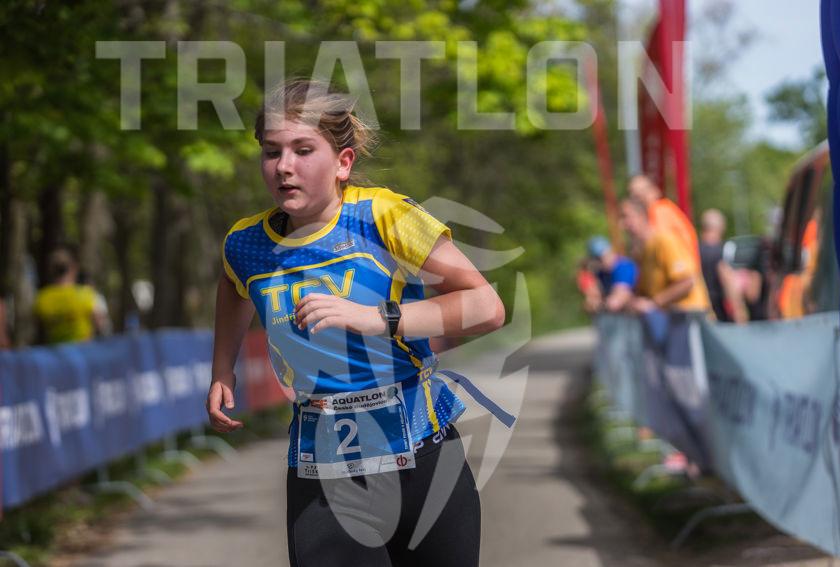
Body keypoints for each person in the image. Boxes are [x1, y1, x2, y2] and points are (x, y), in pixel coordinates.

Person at [206, 78, 507, 567]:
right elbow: (231, 284)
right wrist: (223, 368)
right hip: (322, 471)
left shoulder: (384, 216)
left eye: (304, 150)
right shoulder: (245, 244)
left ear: (343, 163)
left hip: (423, 459)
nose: (284, 166)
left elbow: (486, 307)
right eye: (271, 151)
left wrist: (378, 318)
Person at [620, 198, 710, 313]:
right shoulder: (644, 250)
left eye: (626, 217)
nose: (622, 224)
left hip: (690, 316)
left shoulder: (665, 241)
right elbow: (646, 293)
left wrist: (653, 303)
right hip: (669, 317)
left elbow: (687, 282)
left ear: (642, 216)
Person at [33, 247, 110, 344]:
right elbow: (102, 326)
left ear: (50, 270)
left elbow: (35, 329)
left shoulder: (41, 298)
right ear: (74, 269)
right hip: (83, 350)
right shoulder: (88, 295)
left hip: (55, 351)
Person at [628, 174, 700, 267]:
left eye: (637, 195)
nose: (635, 201)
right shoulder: (664, 209)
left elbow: (659, 242)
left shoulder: (659, 210)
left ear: (652, 191)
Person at [581, 236, 637, 313]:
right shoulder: (600, 272)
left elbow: (617, 300)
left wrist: (599, 304)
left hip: (633, 315)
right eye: (597, 259)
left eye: (604, 256)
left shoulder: (624, 267)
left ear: (610, 252)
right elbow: (591, 299)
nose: (602, 260)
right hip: (613, 315)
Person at [698, 209, 731, 321]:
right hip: (718, 310)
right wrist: (740, 312)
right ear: (720, 228)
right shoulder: (719, 251)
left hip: (700, 308)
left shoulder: (694, 251)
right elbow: (727, 281)